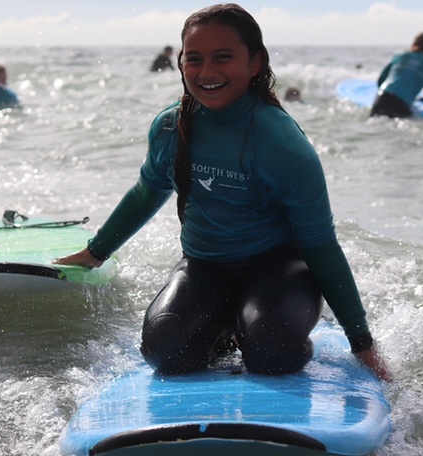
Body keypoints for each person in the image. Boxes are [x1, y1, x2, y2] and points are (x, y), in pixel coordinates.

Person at [53, 3, 391, 381]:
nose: (207, 72)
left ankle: (263, 326)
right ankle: (226, 332)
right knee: (165, 352)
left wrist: (362, 343)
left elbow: (320, 244)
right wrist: (95, 252)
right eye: (194, 59)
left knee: (273, 352)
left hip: (279, 269)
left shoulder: (281, 143)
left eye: (223, 57)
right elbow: (147, 192)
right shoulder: (171, 128)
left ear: (254, 62)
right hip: (204, 267)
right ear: (181, 64)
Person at [371, 32, 423, 118]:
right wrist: (421, 99)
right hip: (402, 105)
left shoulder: (399, 55)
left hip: (382, 98)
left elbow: (380, 81)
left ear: (413, 44)